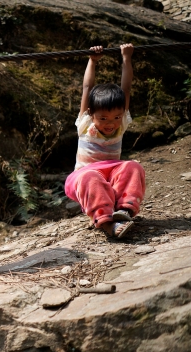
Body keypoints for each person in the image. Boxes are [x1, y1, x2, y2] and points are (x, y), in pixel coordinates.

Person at [64, 44, 145, 238]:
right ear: (91, 114)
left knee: (133, 166)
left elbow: (126, 87)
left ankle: (125, 210)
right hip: (84, 177)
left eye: (116, 117)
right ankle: (108, 224)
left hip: (112, 174)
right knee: (91, 178)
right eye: (104, 119)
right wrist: (92, 61)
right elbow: (87, 87)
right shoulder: (85, 124)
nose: (111, 124)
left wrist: (126, 58)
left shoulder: (121, 123)